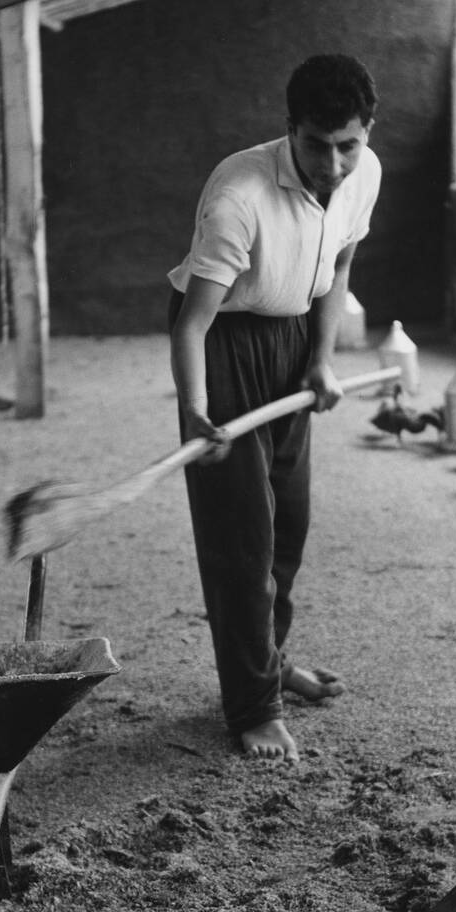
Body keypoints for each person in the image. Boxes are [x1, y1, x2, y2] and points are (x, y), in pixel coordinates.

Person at [167, 54, 381, 765]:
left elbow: (339, 267)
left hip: (292, 336)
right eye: (316, 144)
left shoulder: (363, 175)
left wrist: (320, 357)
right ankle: (253, 704)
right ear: (290, 130)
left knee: (289, 519)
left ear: (366, 132)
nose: (332, 162)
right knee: (242, 535)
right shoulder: (239, 193)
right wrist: (197, 411)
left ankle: (272, 656)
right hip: (226, 339)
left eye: (347, 143)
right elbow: (191, 322)